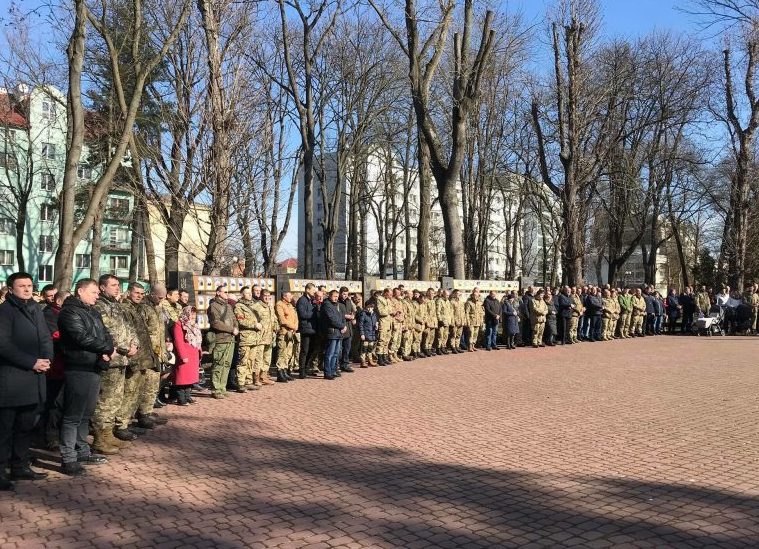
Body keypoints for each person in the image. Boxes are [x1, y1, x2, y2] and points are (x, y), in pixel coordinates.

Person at [0, 272, 53, 490]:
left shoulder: (35, 309)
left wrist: (47, 359)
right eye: (22, 286)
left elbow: (46, 337)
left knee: (25, 426)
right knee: (5, 429)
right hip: (12, 380)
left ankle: (20, 466)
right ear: (11, 289)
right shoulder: (4, 312)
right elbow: (3, 346)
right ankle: (1, 470)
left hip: (35, 379)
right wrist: (32, 362)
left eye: (30, 285)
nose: (27, 289)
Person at [58, 279, 115, 476]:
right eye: (93, 292)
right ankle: (68, 458)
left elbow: (107, 334)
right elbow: (80, 337)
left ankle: (82, 451)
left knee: (86, 414)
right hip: (78, 367)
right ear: (80, 291)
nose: (97, 295)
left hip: (94, 366)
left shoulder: (93, 311)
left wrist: (109, 347)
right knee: (73, 415)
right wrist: (106, 348)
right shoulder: (70, 312)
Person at [92, 275, 138, 452]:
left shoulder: (116, 305)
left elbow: (129, 327)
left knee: (116, 399)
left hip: (122, 360)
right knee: (105, 401)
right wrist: (125, 348)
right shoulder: (99, 306)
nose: (117, 288)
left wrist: (134, 344)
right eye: (113, 285)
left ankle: (108, 434)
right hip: (111, 358)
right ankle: (99, 439)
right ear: (102, 287)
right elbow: (106, 331)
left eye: (118, 285)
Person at [42, 290, 70, 450]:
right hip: (55, 365)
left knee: (63, 401)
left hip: (66, 364)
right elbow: (56, 336)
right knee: (54, 402)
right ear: (59, 301)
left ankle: (60, 432)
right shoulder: (49, 314)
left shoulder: (62, 313)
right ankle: (51, 435)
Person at [207, 284, 239, 398]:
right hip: (220, 339)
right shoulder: (213, 306)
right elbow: (215, 322)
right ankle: (216, 389)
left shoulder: (229, 306)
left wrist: (235, 328)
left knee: (226, 364)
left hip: (230, 339)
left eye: (227, 291)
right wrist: (231, 329)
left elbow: (234, 319)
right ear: (218, 293)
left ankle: (222, 387)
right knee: (219, 364)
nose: (227, 293)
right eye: (224, 292)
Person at [234, 286, 263, 393]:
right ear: (242, 295)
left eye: (250, 293)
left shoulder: (253, 305)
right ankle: (240, 383)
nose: (250, 294)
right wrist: (254, 325)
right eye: (247, 293)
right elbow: (241, 321)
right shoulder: (239, 306)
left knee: (251, 361)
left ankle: (248, 381)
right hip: (245, 338)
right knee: (243, 361)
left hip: (254, 338)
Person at [172, 306, 202, 405]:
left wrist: (199, 351)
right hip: (185, 353)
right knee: (182, 377)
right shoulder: (179, 324)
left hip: (194, 353)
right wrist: (183, 355)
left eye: (194, 314)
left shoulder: (194, 325)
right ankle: (181, 398)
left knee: (191, 377)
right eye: (191, 314)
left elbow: (197, 339)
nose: (193, 316)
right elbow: (178, 341)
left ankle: (188, 396)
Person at [320, 290, 347, 380]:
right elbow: (331, 319)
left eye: (337, 296)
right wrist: (342, 326)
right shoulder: (327, 305)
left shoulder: (336, 305)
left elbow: (341, 317)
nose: (336, 298)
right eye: (334, 296)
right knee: (330, 353)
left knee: (336, 354)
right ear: (330, 296)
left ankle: (332, 370)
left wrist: (344, 326)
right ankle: (327, 372)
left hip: (338, 332)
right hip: (331, 332)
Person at [296, 283, 318, 379]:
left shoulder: (312, 301)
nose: (314, 291)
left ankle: (306, 367)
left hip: (313, 329)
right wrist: (314, 312)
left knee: (312, 350)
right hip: (305, 329)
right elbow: (302, 315)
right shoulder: (302, 300)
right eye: (313, 289)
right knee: (304, 350)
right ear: (307, 290)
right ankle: (301, 370)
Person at [275, 291, 298, 382]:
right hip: (283, 332)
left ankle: (285, 371)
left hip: (291, 332)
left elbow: (295, 317)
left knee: (288, 354)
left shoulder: (290, 306)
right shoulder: (279, 305)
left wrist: (295, 326)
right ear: (284, 297)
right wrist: (293, 326)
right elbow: (282, 320)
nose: (291, 298)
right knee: (281, 353)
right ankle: (280, 372)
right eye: (289, 296)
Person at [338, 287, 356, 372]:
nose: (345, 296)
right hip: (341, 327)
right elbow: (335, 313)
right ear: (340, 293)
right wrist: (344, 316)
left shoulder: (349, 301)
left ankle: (345, 364)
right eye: (344, 294)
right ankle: (337, 365)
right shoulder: (337, 302)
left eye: (347, 294)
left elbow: (353, 310)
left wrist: (353, 316)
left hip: (349, 328)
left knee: (347, 348)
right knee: (339, 349)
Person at [357, 300, 378, 367]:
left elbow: (375, 322)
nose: (370, 309)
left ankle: (370, 360)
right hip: (365, 334)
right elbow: (360, 324)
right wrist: (362, 334)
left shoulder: (374, 314)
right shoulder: (363, 313)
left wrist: (376, 325)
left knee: (370, 348)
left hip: (372, 334)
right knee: (364, 348)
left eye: (371, 307)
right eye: (368, 307)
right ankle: (363, 361)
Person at [375, 288, 393, 365]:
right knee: (381, 340)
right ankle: (380, 358)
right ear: (385, 293)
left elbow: (391, 310)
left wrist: (392, 312)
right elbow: (381, 312)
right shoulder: (379, 299)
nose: (391, 296)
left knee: (387, 341)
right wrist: (389, 311)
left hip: (389, 323)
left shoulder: (388, 300)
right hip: (383, 322)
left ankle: (384, 356)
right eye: (390, 294)